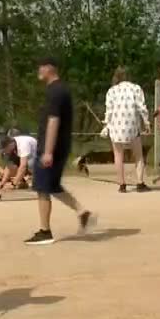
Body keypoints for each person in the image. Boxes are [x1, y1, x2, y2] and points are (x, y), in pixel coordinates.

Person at [25, 58, 95, 245]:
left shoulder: (56, 91)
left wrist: (48, 151)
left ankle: (44, 231)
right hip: (59, 146)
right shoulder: (59, 90)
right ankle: (82, 212)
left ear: (49, 68)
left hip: (52, 147)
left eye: (40, 67)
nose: (38, 71)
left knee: (41, 187)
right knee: (52, 185)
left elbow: (53, 120)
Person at [103, 66, 150, 192]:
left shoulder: (112, 91)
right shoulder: (136, 88)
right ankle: (140, 183)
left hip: (116, 126)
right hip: (132, 126)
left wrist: (106, 125)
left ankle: (122, 184)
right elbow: (142, 107)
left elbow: (109, 110)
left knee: (118, 155)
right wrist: (147, 123)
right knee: (138, 155)